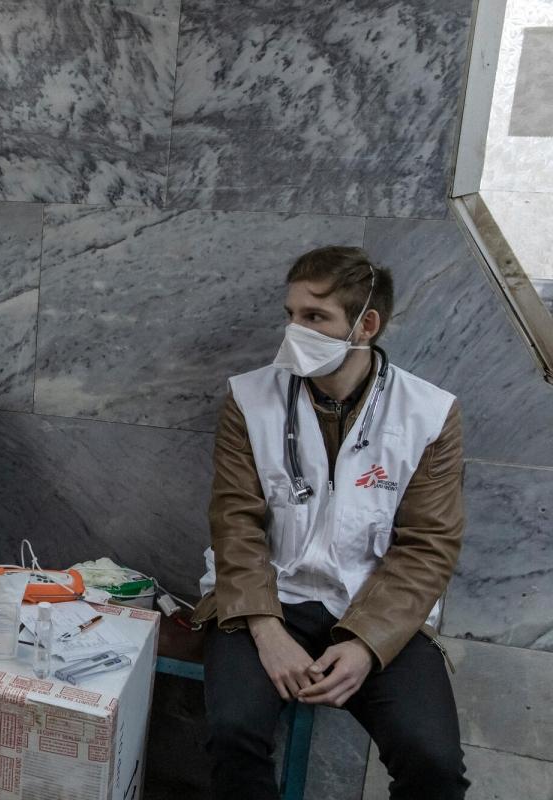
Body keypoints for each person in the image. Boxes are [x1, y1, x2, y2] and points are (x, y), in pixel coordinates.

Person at [193, 246, 470, 799]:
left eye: (315, 318)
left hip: (376, 607)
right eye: (292, 314)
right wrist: (266, 630)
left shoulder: (428, 415)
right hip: (268, 598)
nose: (295, 331)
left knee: (433, 763)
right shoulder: (250, 398)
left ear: (366, 325)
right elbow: (235, 522)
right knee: (232, 733)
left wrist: (368, 643)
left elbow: (428, 546)